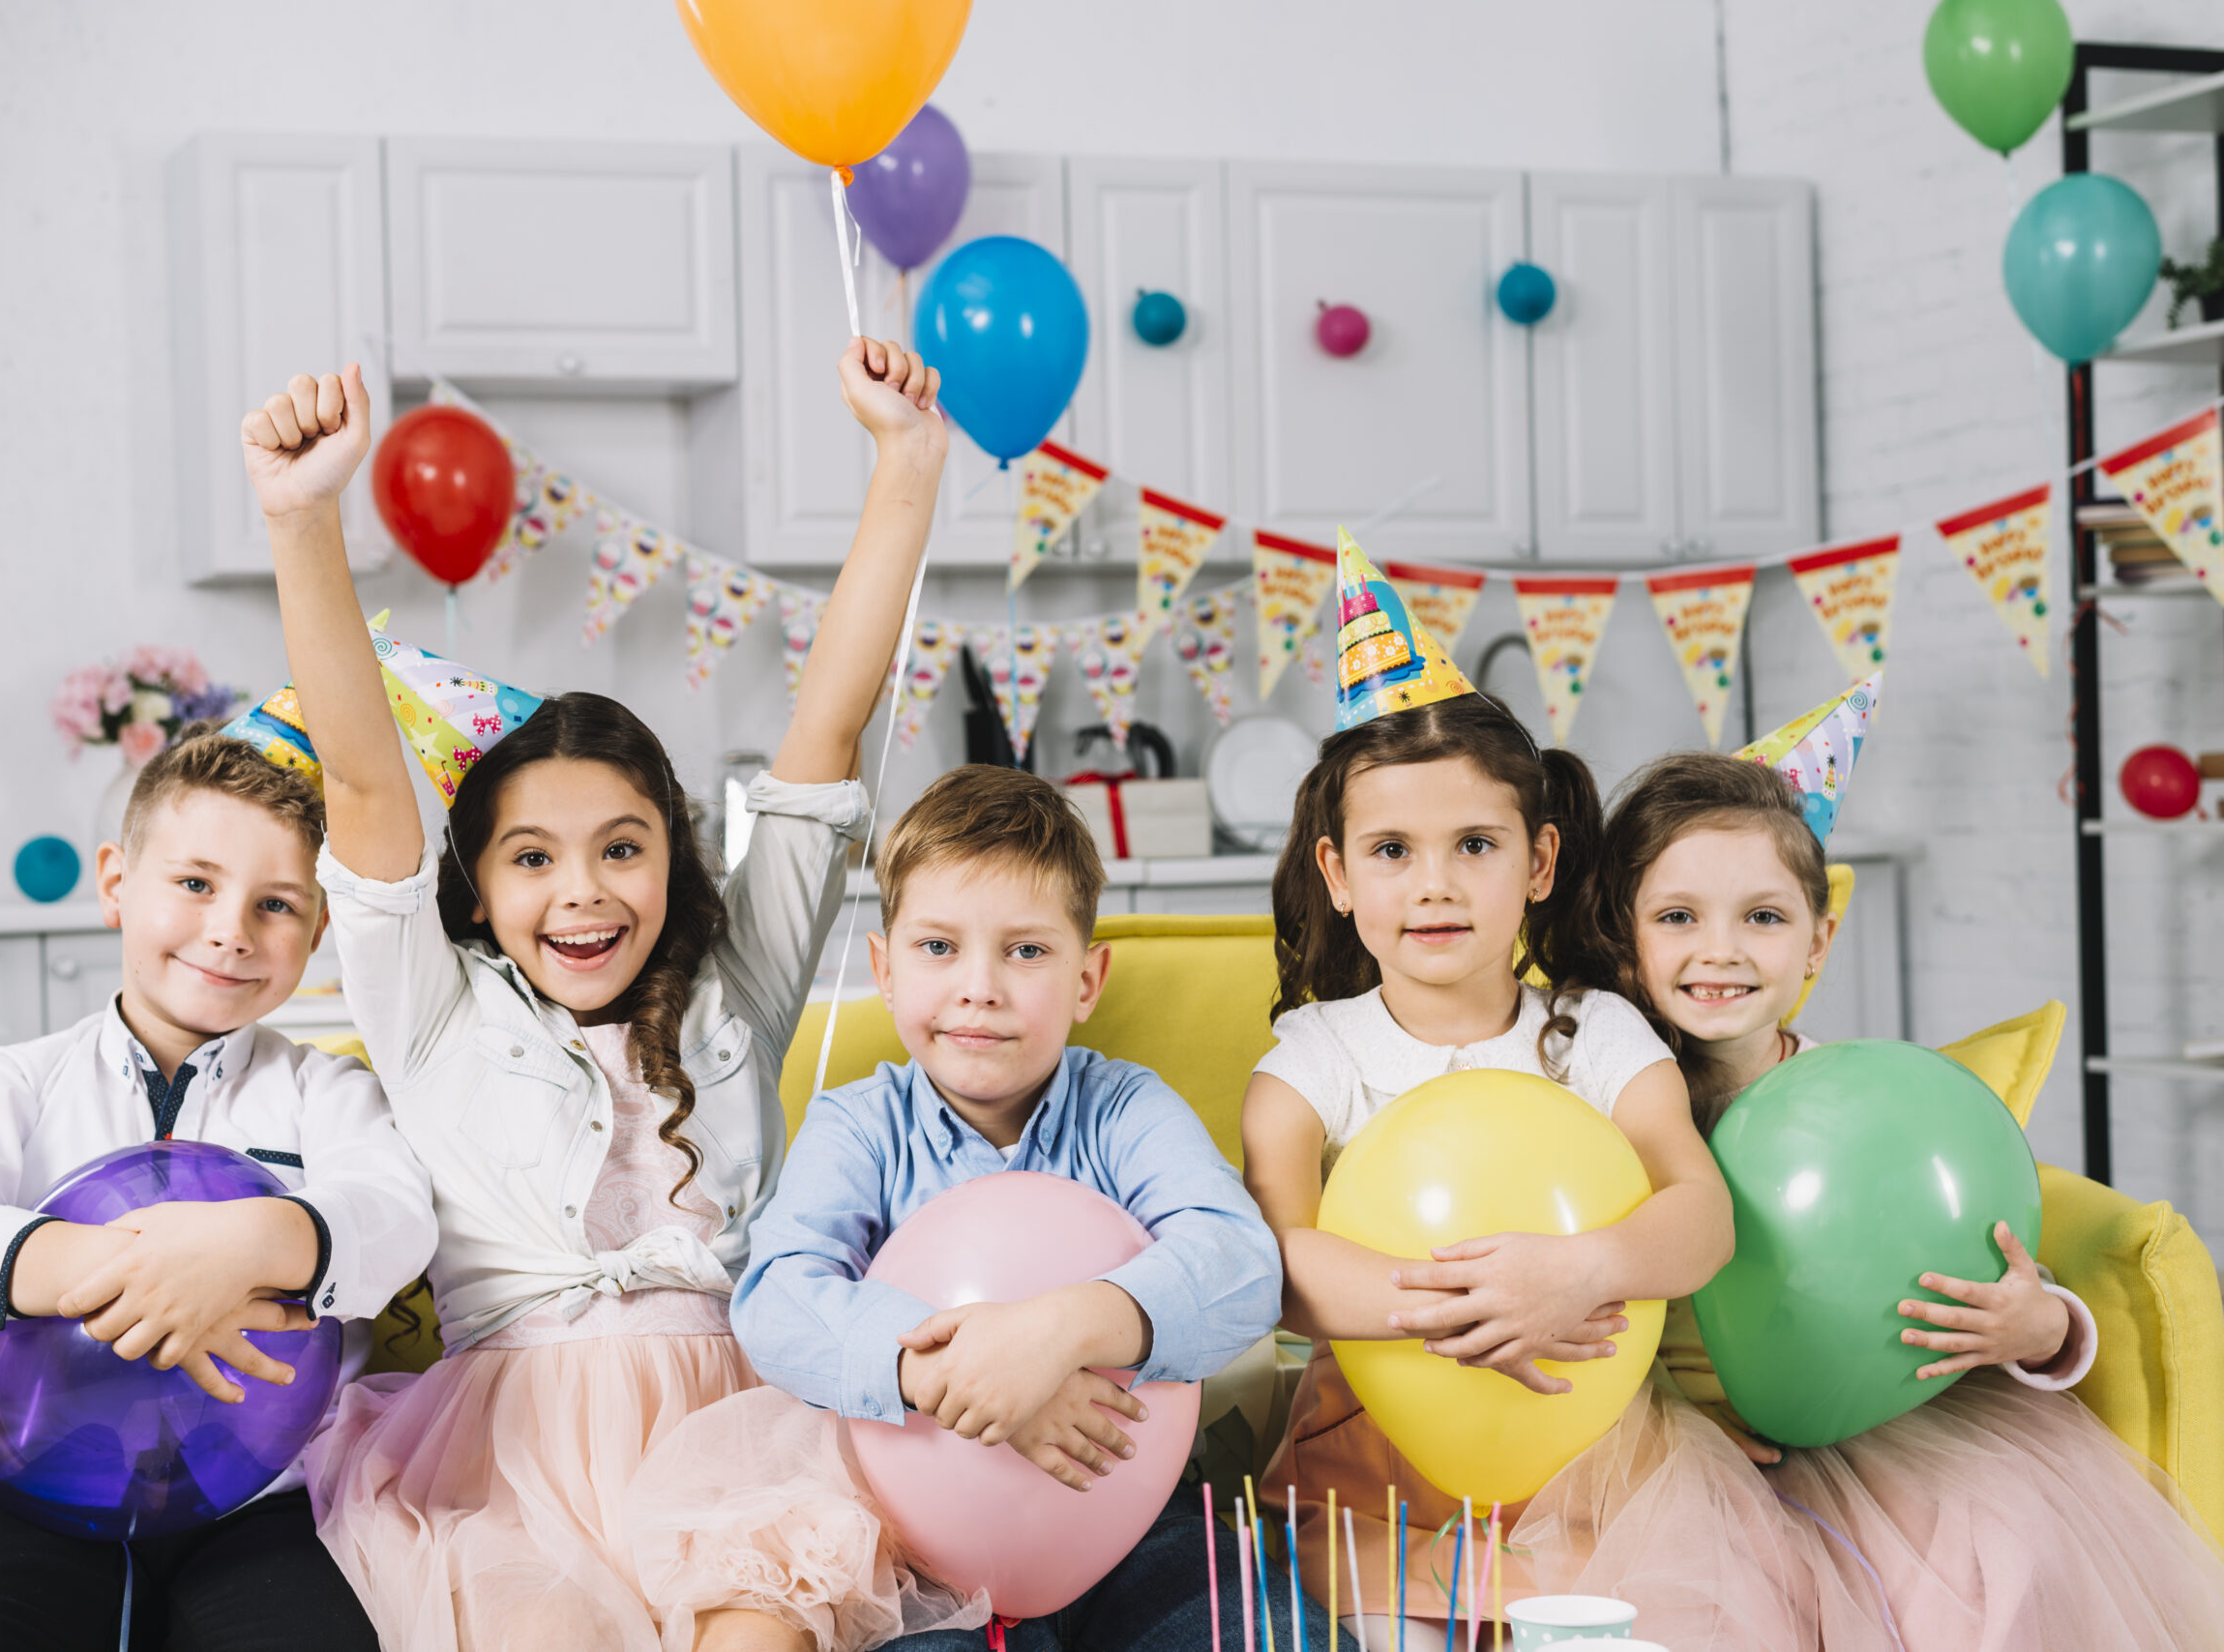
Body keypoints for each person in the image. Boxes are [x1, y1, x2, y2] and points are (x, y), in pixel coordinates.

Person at [252, 339, 971, 1651]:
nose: (583, 893)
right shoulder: (434, 1010)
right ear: (478, 883)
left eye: (622, 847)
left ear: (674, 854)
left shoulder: (729, 992)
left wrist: (905, 466)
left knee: (760, 1621)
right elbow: (363, 785)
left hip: (741, 1442)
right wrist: (304, 517)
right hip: (508, 1461)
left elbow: (826, 734)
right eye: (533, 859)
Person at [1238, 536, 1812, 1650]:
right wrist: (1469, 1306)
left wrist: (1575, 1272)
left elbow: (1697, 1210)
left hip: (1592, 1438)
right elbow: (1280, 1262)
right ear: (1339, 874)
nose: (1436, 882)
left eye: (1475, 844)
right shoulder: (1309, 1058)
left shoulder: (1594, 1033)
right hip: (1379, 1453)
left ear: (1539, 863)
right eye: (1394, 849)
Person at [1588, 747, 2224, 1649]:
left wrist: (2042, 1328)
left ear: (1818, 939)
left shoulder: (1871, 1108)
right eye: (1679, 917)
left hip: (1884, 1430)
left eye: (1762, 917)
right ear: (1627, 936)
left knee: (1996, 1555)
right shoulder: (1612, 1104)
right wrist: (1670, 1432)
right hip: (1690, 1444)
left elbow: (1979, 1257)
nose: (1719, 951)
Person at [676, 762, 1319, 1652]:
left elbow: (1242, 1263)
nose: (980, 986)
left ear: (1088, 980)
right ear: (885, 970)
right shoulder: (859, 1124)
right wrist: (967, 1381)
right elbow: (779, 1300)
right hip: (913, 1542)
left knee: (1265, 1631)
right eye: (939, 948)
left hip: (1131, 1509)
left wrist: (1065, 1330)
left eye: (1026, 950)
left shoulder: (1127, 1109)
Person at [0, 728, 437, 1652]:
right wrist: (138, 1272)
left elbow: (395, 1218)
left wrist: (244, 1250)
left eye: (278, 904)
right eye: (196, 883)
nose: (231, 930)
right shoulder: (12, 1081)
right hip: (34, 1491)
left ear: (318, 933)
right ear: (118, 882)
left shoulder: (326, 1091)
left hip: (271, 1502)